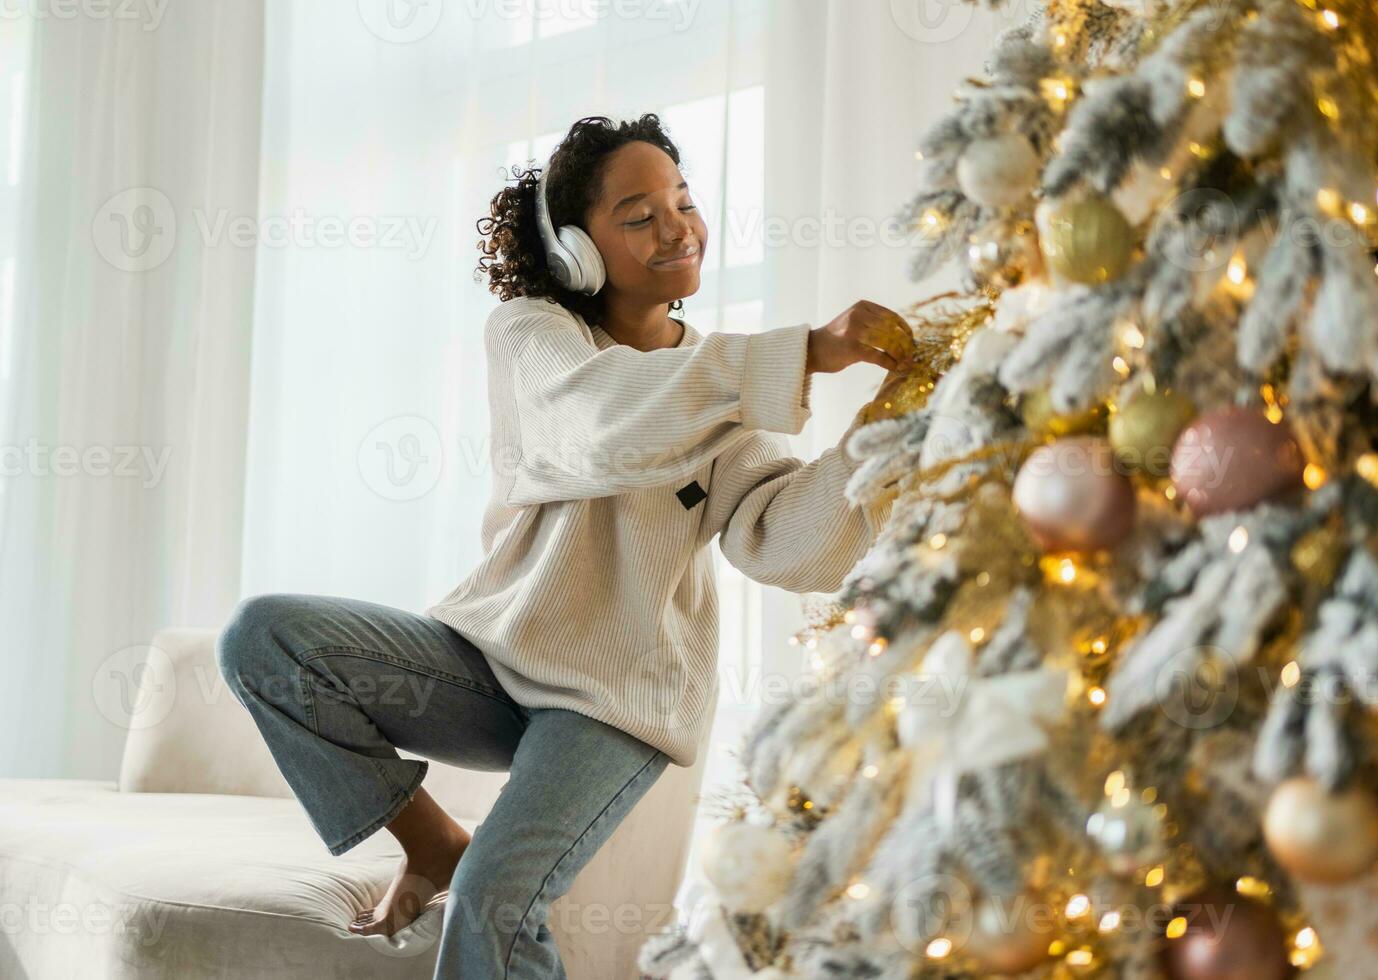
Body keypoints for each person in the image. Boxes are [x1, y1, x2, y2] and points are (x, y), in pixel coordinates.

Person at [216, 112, 914, 979]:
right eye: (638, 212)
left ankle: (461, 872)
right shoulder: (533, 335)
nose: (677, 226)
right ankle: (432, 843)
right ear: (577, 250)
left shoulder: (728, 392)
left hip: (617, 699)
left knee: (497, 897)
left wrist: (888, 439)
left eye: (684, 201)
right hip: (492, 659)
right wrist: (805, 353)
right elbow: (596, 424)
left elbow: (783, 544)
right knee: (267, 637)